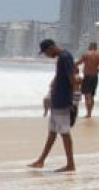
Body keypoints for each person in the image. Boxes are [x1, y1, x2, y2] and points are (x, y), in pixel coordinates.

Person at [29, 38, 77, 172]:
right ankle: (41, 160)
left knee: (64, 133)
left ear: (51, 48)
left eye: (45, 52)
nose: (46, 55)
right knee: (52, 132)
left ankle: (70, 164)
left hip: (63, 100)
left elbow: (72, 79)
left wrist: (73, 101)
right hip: (57, 100)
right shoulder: (62, 57)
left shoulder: (65, 57)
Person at [77, 42, 99, 119]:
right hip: (95, 77)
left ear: (90, 47)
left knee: (87, 96)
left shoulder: (86, 54)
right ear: (96, 47)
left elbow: (77, 63)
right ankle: (90, 113)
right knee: (91, 96)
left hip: (87, 76)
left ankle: (88, 114)